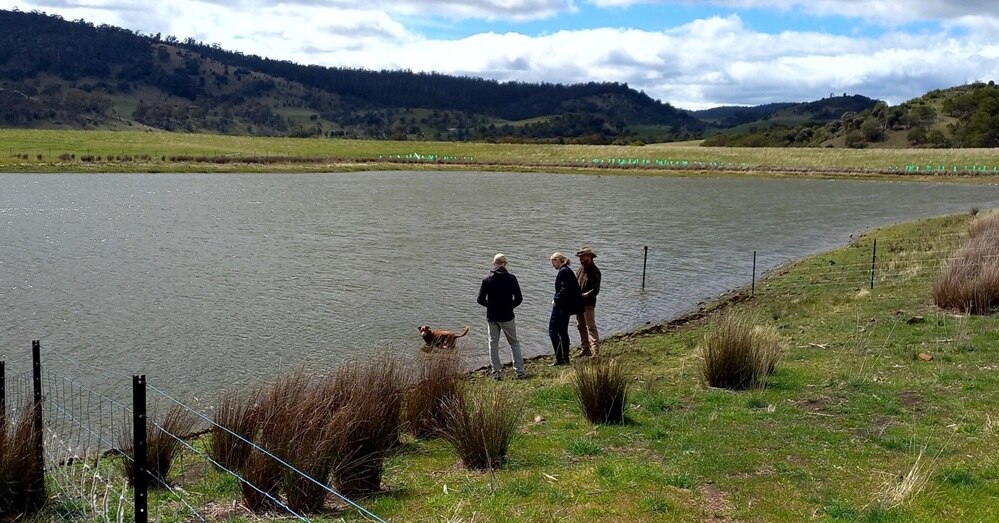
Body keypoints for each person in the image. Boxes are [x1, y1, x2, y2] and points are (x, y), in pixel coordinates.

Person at [476, 253, 526, 380]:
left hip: (492, 316)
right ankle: (519, 372)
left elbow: (480, 300)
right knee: (514, 343)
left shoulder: (487, 279)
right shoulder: (511, 278)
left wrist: (491, 306)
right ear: (505, 264)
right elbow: (519, 298)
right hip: (507, 315)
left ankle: (497, 373)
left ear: (494, 263)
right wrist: (510, 307)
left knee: (493, 344)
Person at [548, 252, 583, 366]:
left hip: (561, 306)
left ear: (558, 260)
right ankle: (565, 358)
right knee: (563, 332)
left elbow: (565, 288)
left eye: (553, 262)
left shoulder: (563, 271)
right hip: (566, 306)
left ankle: (560, 358)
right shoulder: (567, 270)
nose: (552, 265)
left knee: (553, 331)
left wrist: (556, 300)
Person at [575, 246, 602, 357]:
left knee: (590, 326)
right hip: (578, 302)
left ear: (590, 257)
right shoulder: (580, 269)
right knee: (580, 326)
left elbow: (595, 290)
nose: (581, 259)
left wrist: (585, 295)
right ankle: (585, 349)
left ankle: (595, 352)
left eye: (584, 257)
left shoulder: (595, 272)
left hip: (588, 303)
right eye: (580, 257)